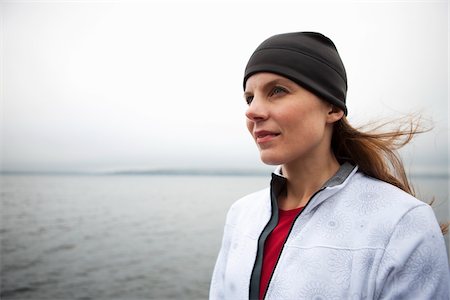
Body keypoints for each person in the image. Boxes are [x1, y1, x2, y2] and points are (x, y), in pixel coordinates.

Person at [209, 32, 450, 300]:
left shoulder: (401, 223)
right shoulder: (242, 215)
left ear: (333, 108)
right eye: (249, 98)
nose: (252, 111)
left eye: (277, 91)